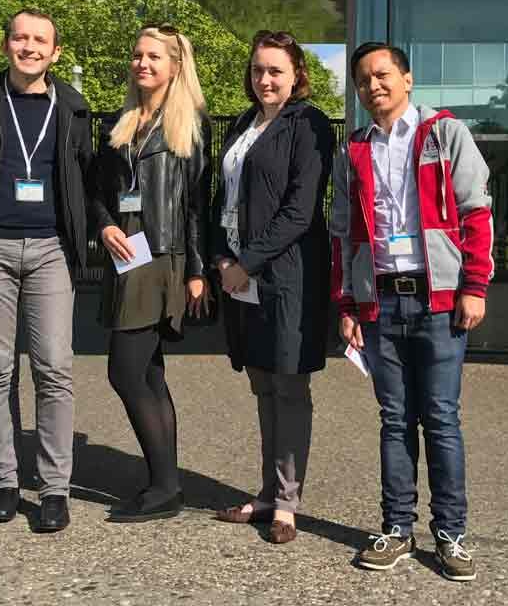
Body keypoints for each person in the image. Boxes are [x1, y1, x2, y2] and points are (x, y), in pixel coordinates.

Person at [330, 42, 493, 580]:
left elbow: (475, 211)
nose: (372, 86)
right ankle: (397, 529)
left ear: (407, 79)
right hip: (380, 302)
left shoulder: (445, 135)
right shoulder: (353, 149)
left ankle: (451, 535)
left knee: (441, 418)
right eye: (362, 80)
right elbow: (343, 234)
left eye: (382, 75)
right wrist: (348, 303)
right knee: (394, 419)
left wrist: (475, 285)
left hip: (437, 300)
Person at [0, 9, 93, 532]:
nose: (30, 47)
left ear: (55, 52)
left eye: (40, 40)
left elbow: (88, 180)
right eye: (21, 38)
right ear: (6, 45)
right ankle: (3, 481)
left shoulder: (75, 108)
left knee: (54, 368)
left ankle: (54, 488)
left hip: (50, 251)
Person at [211, 30, 334, 544]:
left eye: (276, 70)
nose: (265, 79)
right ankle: (267, 492)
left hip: (287, 277)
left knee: (289, 385)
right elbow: (223, 197)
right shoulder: (243, 123)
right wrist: (221, 257)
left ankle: (287, 503)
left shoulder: (309, 125)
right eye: (259, 69)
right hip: (239, 273)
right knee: (262, 381)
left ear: (296, 74)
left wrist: (248, 263)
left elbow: (301, 211)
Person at [91, 23, 211, 522]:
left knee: (125, 369)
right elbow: (98, 193)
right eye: (138, 55)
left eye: (154, 57)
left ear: (174, 66)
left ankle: (164, 484)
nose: (143, 63)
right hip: (126, 252)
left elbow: (199, 204)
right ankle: (166, 484)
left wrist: (198, 270)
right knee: (147, 372)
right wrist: (102, 227)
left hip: (163, 256)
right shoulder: (121, 124)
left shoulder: (187, 127)